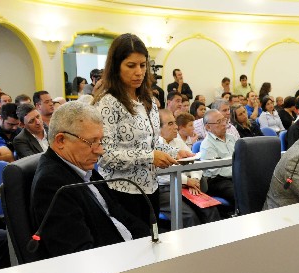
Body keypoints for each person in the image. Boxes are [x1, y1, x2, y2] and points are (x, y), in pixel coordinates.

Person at [30, 101, 150, 258]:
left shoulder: (82, 167)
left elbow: (119, 214)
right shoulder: (52, 184)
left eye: (100, 141)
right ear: (61, 141)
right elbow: (78, 254)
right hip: (112, 263)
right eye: (92, 142)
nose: (100, 150)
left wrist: (150, 241)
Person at [93, 33, 193, 222]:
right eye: (131, 66)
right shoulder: (108, 102)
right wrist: (150, 157)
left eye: (142, 65)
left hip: (150, 187)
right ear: (116, 66)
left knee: (153, 237)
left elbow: (151, 143)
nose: (139, 72)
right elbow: (105, 156)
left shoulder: (148, 100)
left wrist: (175, 153)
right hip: (120, 191)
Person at [157, 109, 220, 227]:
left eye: (175, 123)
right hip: (164, 189)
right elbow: (161, 175)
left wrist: (194, 179)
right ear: (158, 128)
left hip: (185, 185)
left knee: (209, 209)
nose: (176, 127)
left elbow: (194, 162)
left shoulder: (178, 142)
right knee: (189, 216)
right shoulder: (155, 146)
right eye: (170, 124)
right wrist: (187, 181)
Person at [199, 109, 237, 208]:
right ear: (208, 127)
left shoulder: (232, 138)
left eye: (224, 120)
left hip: (236, 175)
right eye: (219, 122)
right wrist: (238, 171)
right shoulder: (207, 144)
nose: (224, 124)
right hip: (217, 180)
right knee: (240, 194)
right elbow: (216, 170)